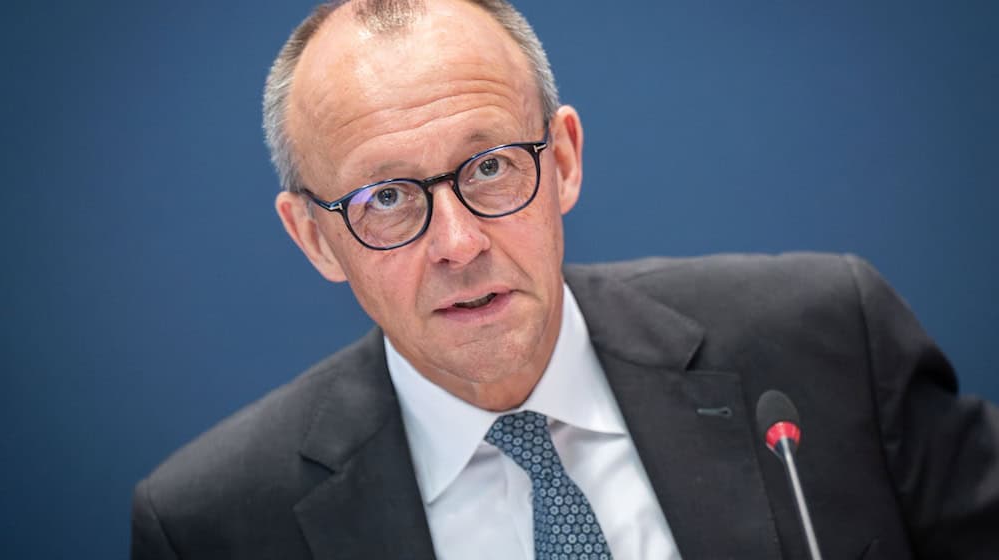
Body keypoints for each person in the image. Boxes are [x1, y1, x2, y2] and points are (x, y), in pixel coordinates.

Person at [131, 1, 999, 558]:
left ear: (567, 161)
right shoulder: (213, 525)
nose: (459, 243)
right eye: (388, 197)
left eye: (492, 166)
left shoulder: (826, 342)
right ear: (315, 238)